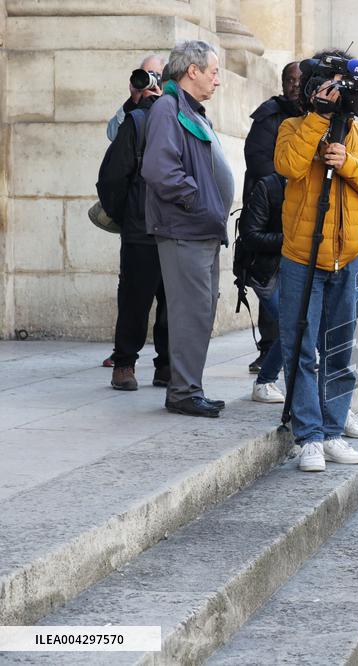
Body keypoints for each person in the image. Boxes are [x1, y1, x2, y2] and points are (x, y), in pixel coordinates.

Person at [274, 48, 358, 471]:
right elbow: (288, 166)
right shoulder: (293, 126)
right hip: (300, 258)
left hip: (349, 257)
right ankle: (308, 436)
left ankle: (332, 429)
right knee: (302, 349)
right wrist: (319, 119)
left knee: (339, 350)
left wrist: (348, 164)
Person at [142, 40, 233, 418]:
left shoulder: (192, 111)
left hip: (200, 229)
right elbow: (160, 169)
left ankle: (188, 386)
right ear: (191, 70)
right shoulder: (167, 107)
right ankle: (183, 392)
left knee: (200, 311)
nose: (218, 80)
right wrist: (197, 200)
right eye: (213, 71)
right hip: (185, 228)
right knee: (189, 312)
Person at [97, 56, 170, 392]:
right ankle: (124, 364)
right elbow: (111, 177)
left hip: (175, 230)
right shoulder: (135, 119)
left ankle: (167, 367)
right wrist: (127, 216)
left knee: (173, 303)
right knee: (134, 301)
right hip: (141, 229)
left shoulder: (186, 119)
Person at [243, 61, 302, 377]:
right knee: (270, 280)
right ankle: (268, 351)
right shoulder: (269, 115)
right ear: (282, 84)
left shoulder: (313, 115)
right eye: (289, 80)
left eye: (299, 80)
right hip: (272, 214)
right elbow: (259, 161)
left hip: (302, 216)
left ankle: (289, 352)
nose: (294, 85)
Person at [239, 172, 286, 404]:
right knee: (292, 327)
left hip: (295, 270)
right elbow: (250, 235)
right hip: (267, 272)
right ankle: (264, 382)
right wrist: (290, 240)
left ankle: (267, 381)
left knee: (300, 327)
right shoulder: (268, 186)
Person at [107, 54, 166, 142]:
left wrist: (160, 101)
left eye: (154, 75)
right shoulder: (136, 103)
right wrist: (133, 101)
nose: (149, 80)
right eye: (146, 74)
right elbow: (112, 134)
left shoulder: (171, 104)